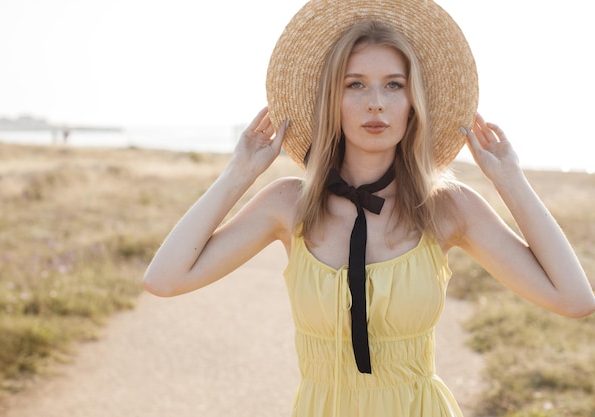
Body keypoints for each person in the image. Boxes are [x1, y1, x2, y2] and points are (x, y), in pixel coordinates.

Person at [143, 0, 595, 415]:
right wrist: (238, 175)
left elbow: (574, 300)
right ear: (332, 102)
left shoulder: (446, 208)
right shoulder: (289, 205)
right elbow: (164, 279)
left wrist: (510, 179)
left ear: (412, 103)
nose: (376, 102)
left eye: (393, 85)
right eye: (355, 84)